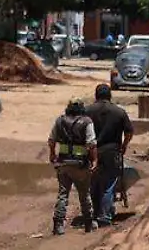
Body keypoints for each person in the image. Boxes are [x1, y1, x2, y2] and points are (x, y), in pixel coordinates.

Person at [47, 98, 99, 235]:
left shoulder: (60, 120)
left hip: (63, 162)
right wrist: (94, 160)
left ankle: (58, 225)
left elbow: (51, 140)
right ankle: (88, 224)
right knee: (84, 194)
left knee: (63, 194)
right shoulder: (87, 122)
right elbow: (91, 143)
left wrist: (52, 154)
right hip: (80, 164)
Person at [87, 84, 134, 226]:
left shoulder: (87, 111)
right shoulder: (119, 112)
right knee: (108, 184)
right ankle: (105, 216)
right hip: (112, 152)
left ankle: (95, 214)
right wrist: (124, 146)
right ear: (110, 96)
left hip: (91, 152)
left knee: (93, 184)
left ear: (96, 95)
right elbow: (129, 132)